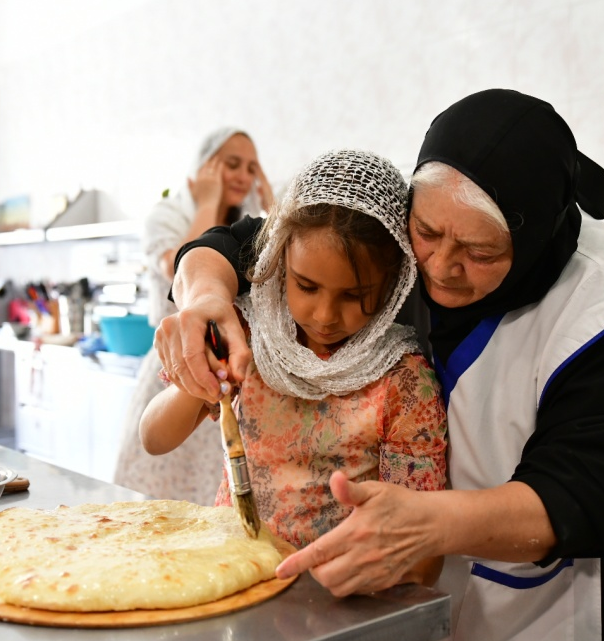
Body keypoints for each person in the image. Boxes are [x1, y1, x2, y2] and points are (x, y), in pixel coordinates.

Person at [155, 90, 604, 641]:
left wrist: (429, 525)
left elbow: (596, 489)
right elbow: (248, 240)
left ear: (535, 239)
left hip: (577, 608)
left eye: (478, 252)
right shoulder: (413, 229)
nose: (437, 267)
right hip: (440, 588)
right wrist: (202, 297)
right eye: (428, 233)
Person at [140, 150, 448, 558]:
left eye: (354, 296)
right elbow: (154, 438)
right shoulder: (247, 336)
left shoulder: (404, 382)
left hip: (335, 587)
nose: (324, 316)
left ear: (393, 285)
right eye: (306, 286)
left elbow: (417, 548)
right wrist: (200, 385)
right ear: (281, 262)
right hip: (234, 567)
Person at [112, 127, 272, 505]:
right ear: (202, 169)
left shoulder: (246, 225)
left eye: (251, 168)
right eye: (230, 164)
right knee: (159, 501)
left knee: (214, 499)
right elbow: (179, 265)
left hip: (228, 374)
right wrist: (207, 202)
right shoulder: (165, 216)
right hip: (176, 369)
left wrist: (268, 199)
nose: (242, 175)